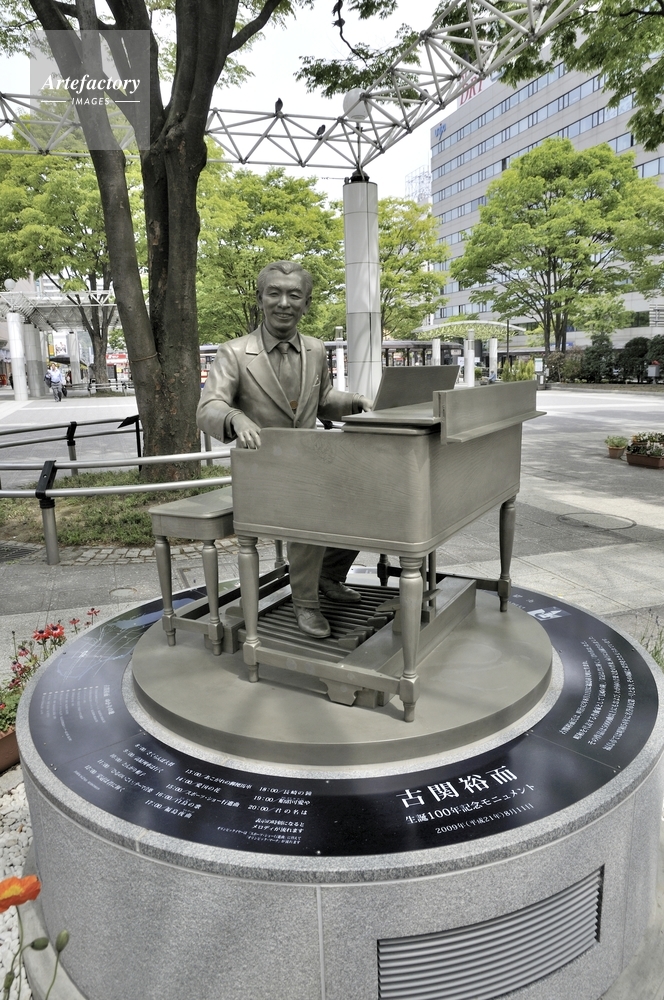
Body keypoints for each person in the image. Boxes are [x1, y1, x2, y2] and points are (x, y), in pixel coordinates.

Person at [197, 260, 373, 639]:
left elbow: (323, 400)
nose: (283, 302)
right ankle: (306, 603)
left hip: (308, 463)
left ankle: (328, 576)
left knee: (368, 497)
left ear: (306, 303)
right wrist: (235, 418)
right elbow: (208, 408)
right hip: (262, 473)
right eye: (274, 293)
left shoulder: (316, 349)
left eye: (294, 295)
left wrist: (355, 401)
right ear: (260, 298)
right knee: (312, 504)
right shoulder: (233, 353)